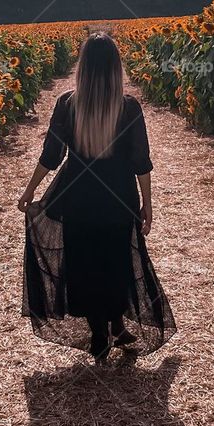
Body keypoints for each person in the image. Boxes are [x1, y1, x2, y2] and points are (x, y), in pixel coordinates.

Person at [18, 32, 176, 363]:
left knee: (83, 265)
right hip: (118, 197)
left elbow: (51, 155)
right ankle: (114, 326)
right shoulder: (128, 107)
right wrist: (147, 204)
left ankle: (101, 334)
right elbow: (140, 162)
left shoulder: (67, 103)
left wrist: (31, 189)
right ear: (116, 67)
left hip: (76, 197)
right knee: (116, 262)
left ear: (83, 66)